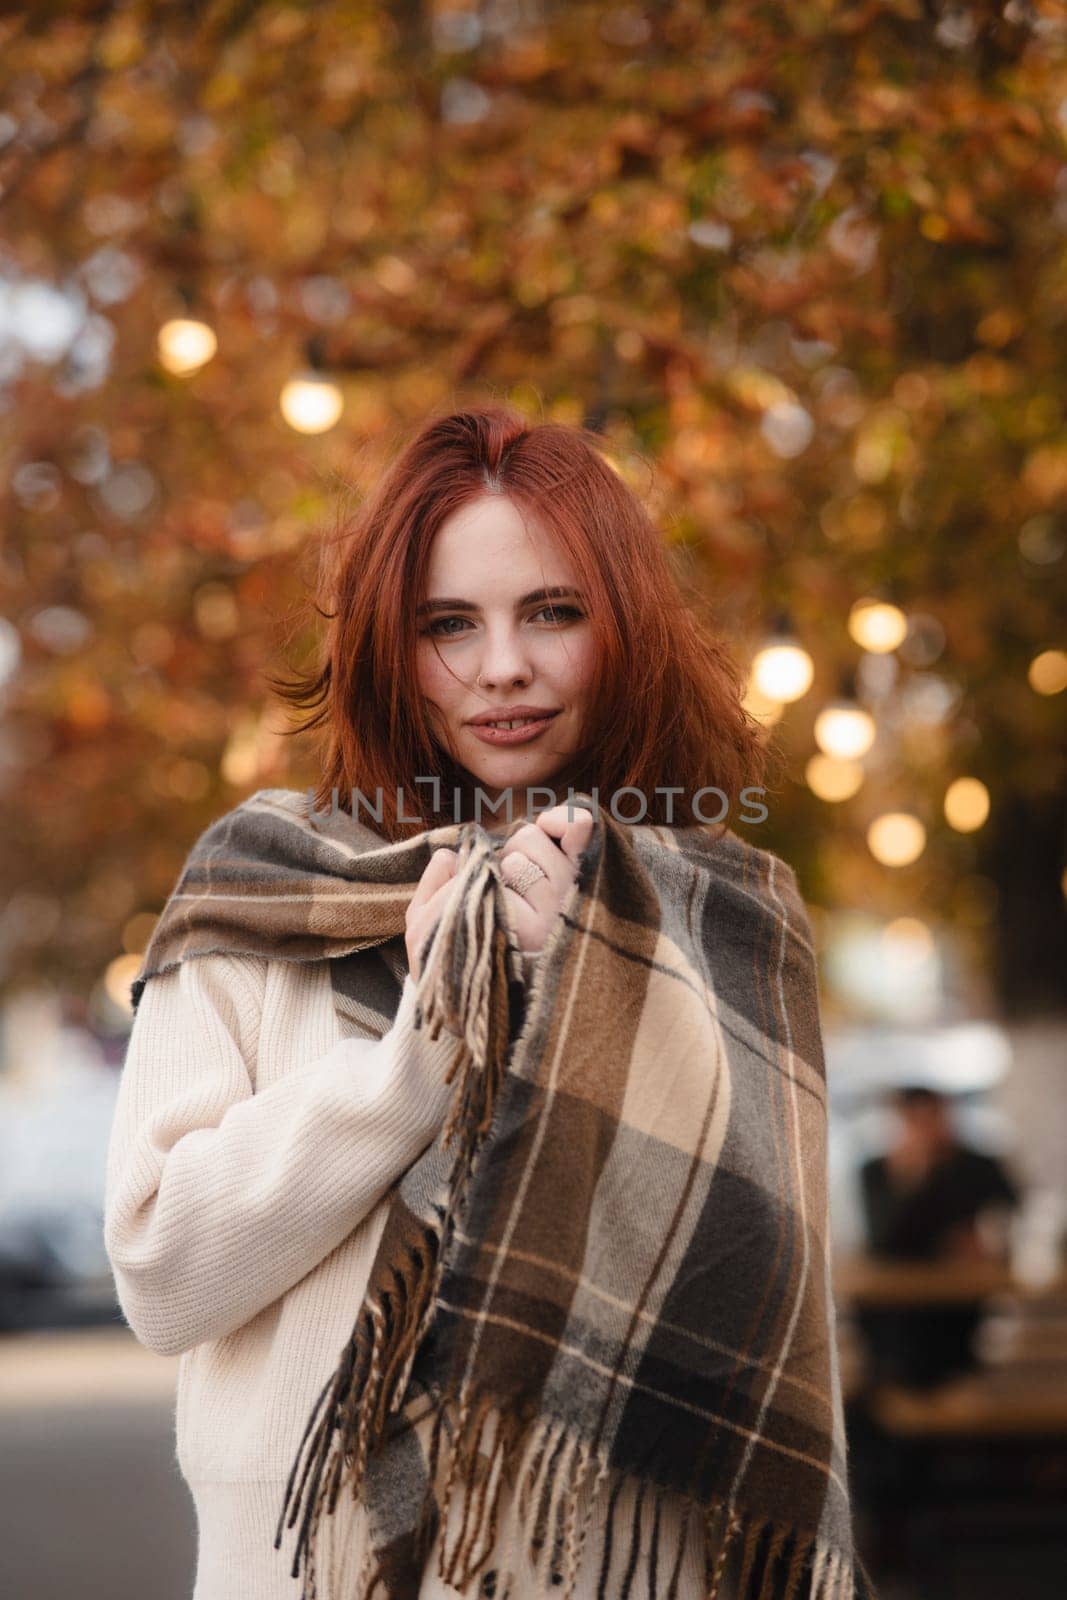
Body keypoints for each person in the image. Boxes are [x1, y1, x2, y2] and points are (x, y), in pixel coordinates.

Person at [104, 404, 863, 1600]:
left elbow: (768, 1309)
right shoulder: (260, 881)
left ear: (624, 631)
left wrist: (602, 980)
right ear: (387, 650)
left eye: (552, 612)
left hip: (615, 1559)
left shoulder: (723, 914)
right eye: (446, 624)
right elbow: (163, 1271)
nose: (500, 665)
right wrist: (426, 1056)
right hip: (304, 1567)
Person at [856, 1085, 1021, 1390]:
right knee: (892, 1351)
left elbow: (1014, 1213)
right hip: (895, 1302)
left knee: (949, 1357)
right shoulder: (877, 1170)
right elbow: (882, 1240)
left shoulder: (977, 1165)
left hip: (958, 1300)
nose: (926, 1128)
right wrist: (911, 1176)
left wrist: (988, 1241)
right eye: (915, 1119)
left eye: (934, 1116)